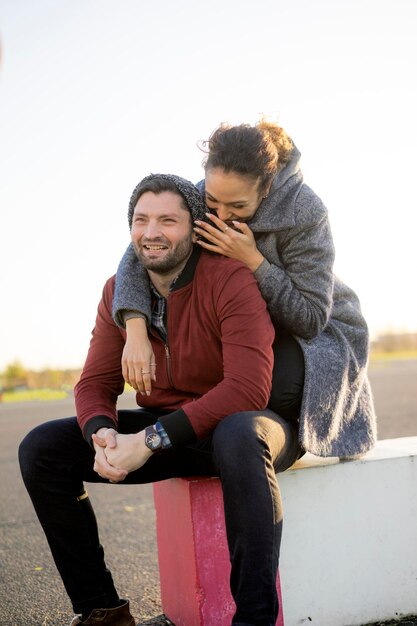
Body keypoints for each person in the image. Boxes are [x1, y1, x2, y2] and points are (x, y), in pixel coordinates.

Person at [19, 174, 300, 626]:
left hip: (253, 427)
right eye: (141, 220)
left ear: (194, 226)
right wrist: (101, 431)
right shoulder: (118, 292)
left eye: (168, 220)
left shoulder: (228, 278)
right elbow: (93, 382)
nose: (151, 232)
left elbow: (247, 389)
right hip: (175, 430)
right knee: (42, 448)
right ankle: (103, 610)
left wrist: (147, 440)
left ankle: (255, 619)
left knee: (238, 434)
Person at [113, 120, 377, 459]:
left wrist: (254, 260)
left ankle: (281, 442)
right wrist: (134, 327)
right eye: (213, 202)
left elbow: (310, 318)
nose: (220, 215)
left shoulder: (305, 210)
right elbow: (139, 255)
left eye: (237, 207)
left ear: (265, 188)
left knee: (275, 390)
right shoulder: (200, 195)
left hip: (317, 331)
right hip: (242, 324)